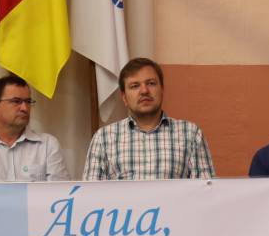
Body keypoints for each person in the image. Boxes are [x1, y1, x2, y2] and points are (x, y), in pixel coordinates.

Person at [82, 57, 215, 180]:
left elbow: (206, 191)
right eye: (135, 86)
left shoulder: (190, 134)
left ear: (162, 89)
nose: (144, 91)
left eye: (151, 83)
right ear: (124, 98)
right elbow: (91, 194)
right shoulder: (103, 138)